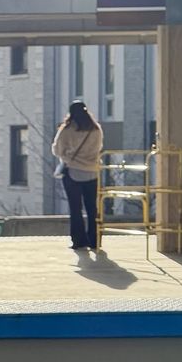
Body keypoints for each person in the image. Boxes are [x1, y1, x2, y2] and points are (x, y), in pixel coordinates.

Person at [52, 99, 105, 251]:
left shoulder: (67, 130)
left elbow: (57, 150)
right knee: (91, 208)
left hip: (73, 171)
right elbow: (99, 148)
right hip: (93, 172)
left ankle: (79, 240)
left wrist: (68, 155)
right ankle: (94, 240)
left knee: (75, 208)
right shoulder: (96, 129)